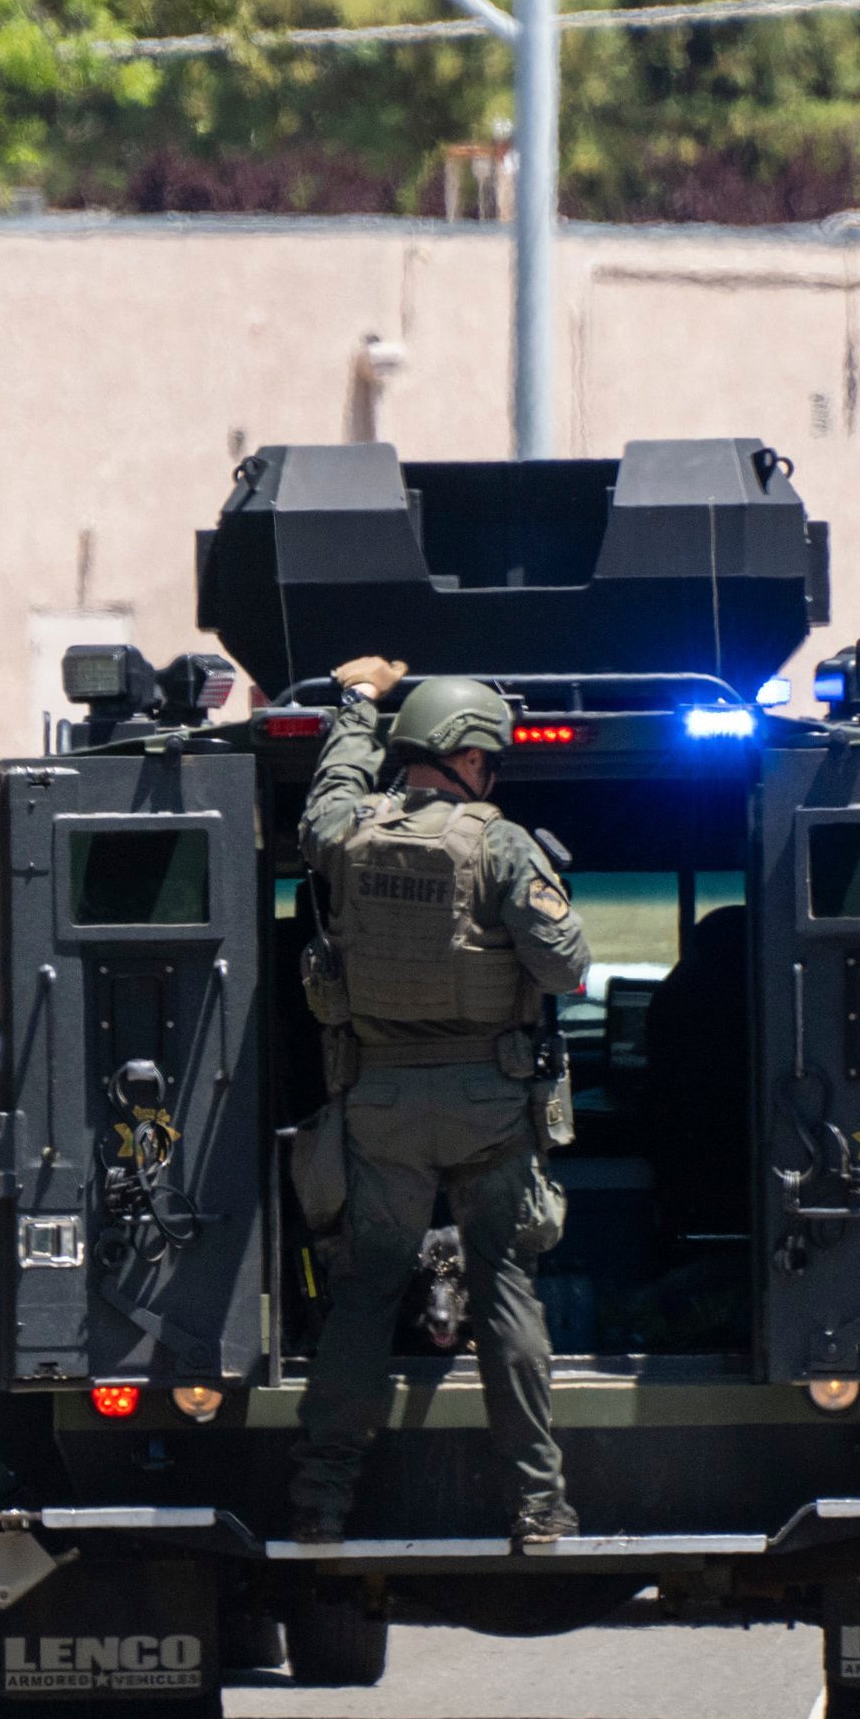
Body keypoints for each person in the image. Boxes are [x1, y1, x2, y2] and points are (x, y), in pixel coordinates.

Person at [289, 658, 591, 1547]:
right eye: (487, 759)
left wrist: (356, 704)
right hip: (488, 1106)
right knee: (503, 1289)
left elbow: (332, 788)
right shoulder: (500, 844)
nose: (490, 775)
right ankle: (539, 1506)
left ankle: (320, 1498)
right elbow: (567, 968)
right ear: (463, 755)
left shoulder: (345, 830)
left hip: (377, 1099)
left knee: (366, 1295)